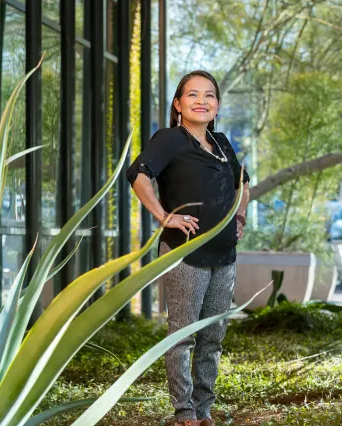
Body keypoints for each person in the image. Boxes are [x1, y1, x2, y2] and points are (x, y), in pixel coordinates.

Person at [126, 70, 250, 426]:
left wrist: (240, 216)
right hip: (186, 254)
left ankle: (204, 408)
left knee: (212, 337)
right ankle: (184, 413)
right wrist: (164, 216)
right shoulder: (169, 139)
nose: (202, 101)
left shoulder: (223, 143)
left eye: (209, 95)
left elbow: (244, 184)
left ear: (217, 105)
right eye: (192, 95)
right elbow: (139, 175)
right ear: (178, 105)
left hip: (224, 256)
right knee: (183, 336)